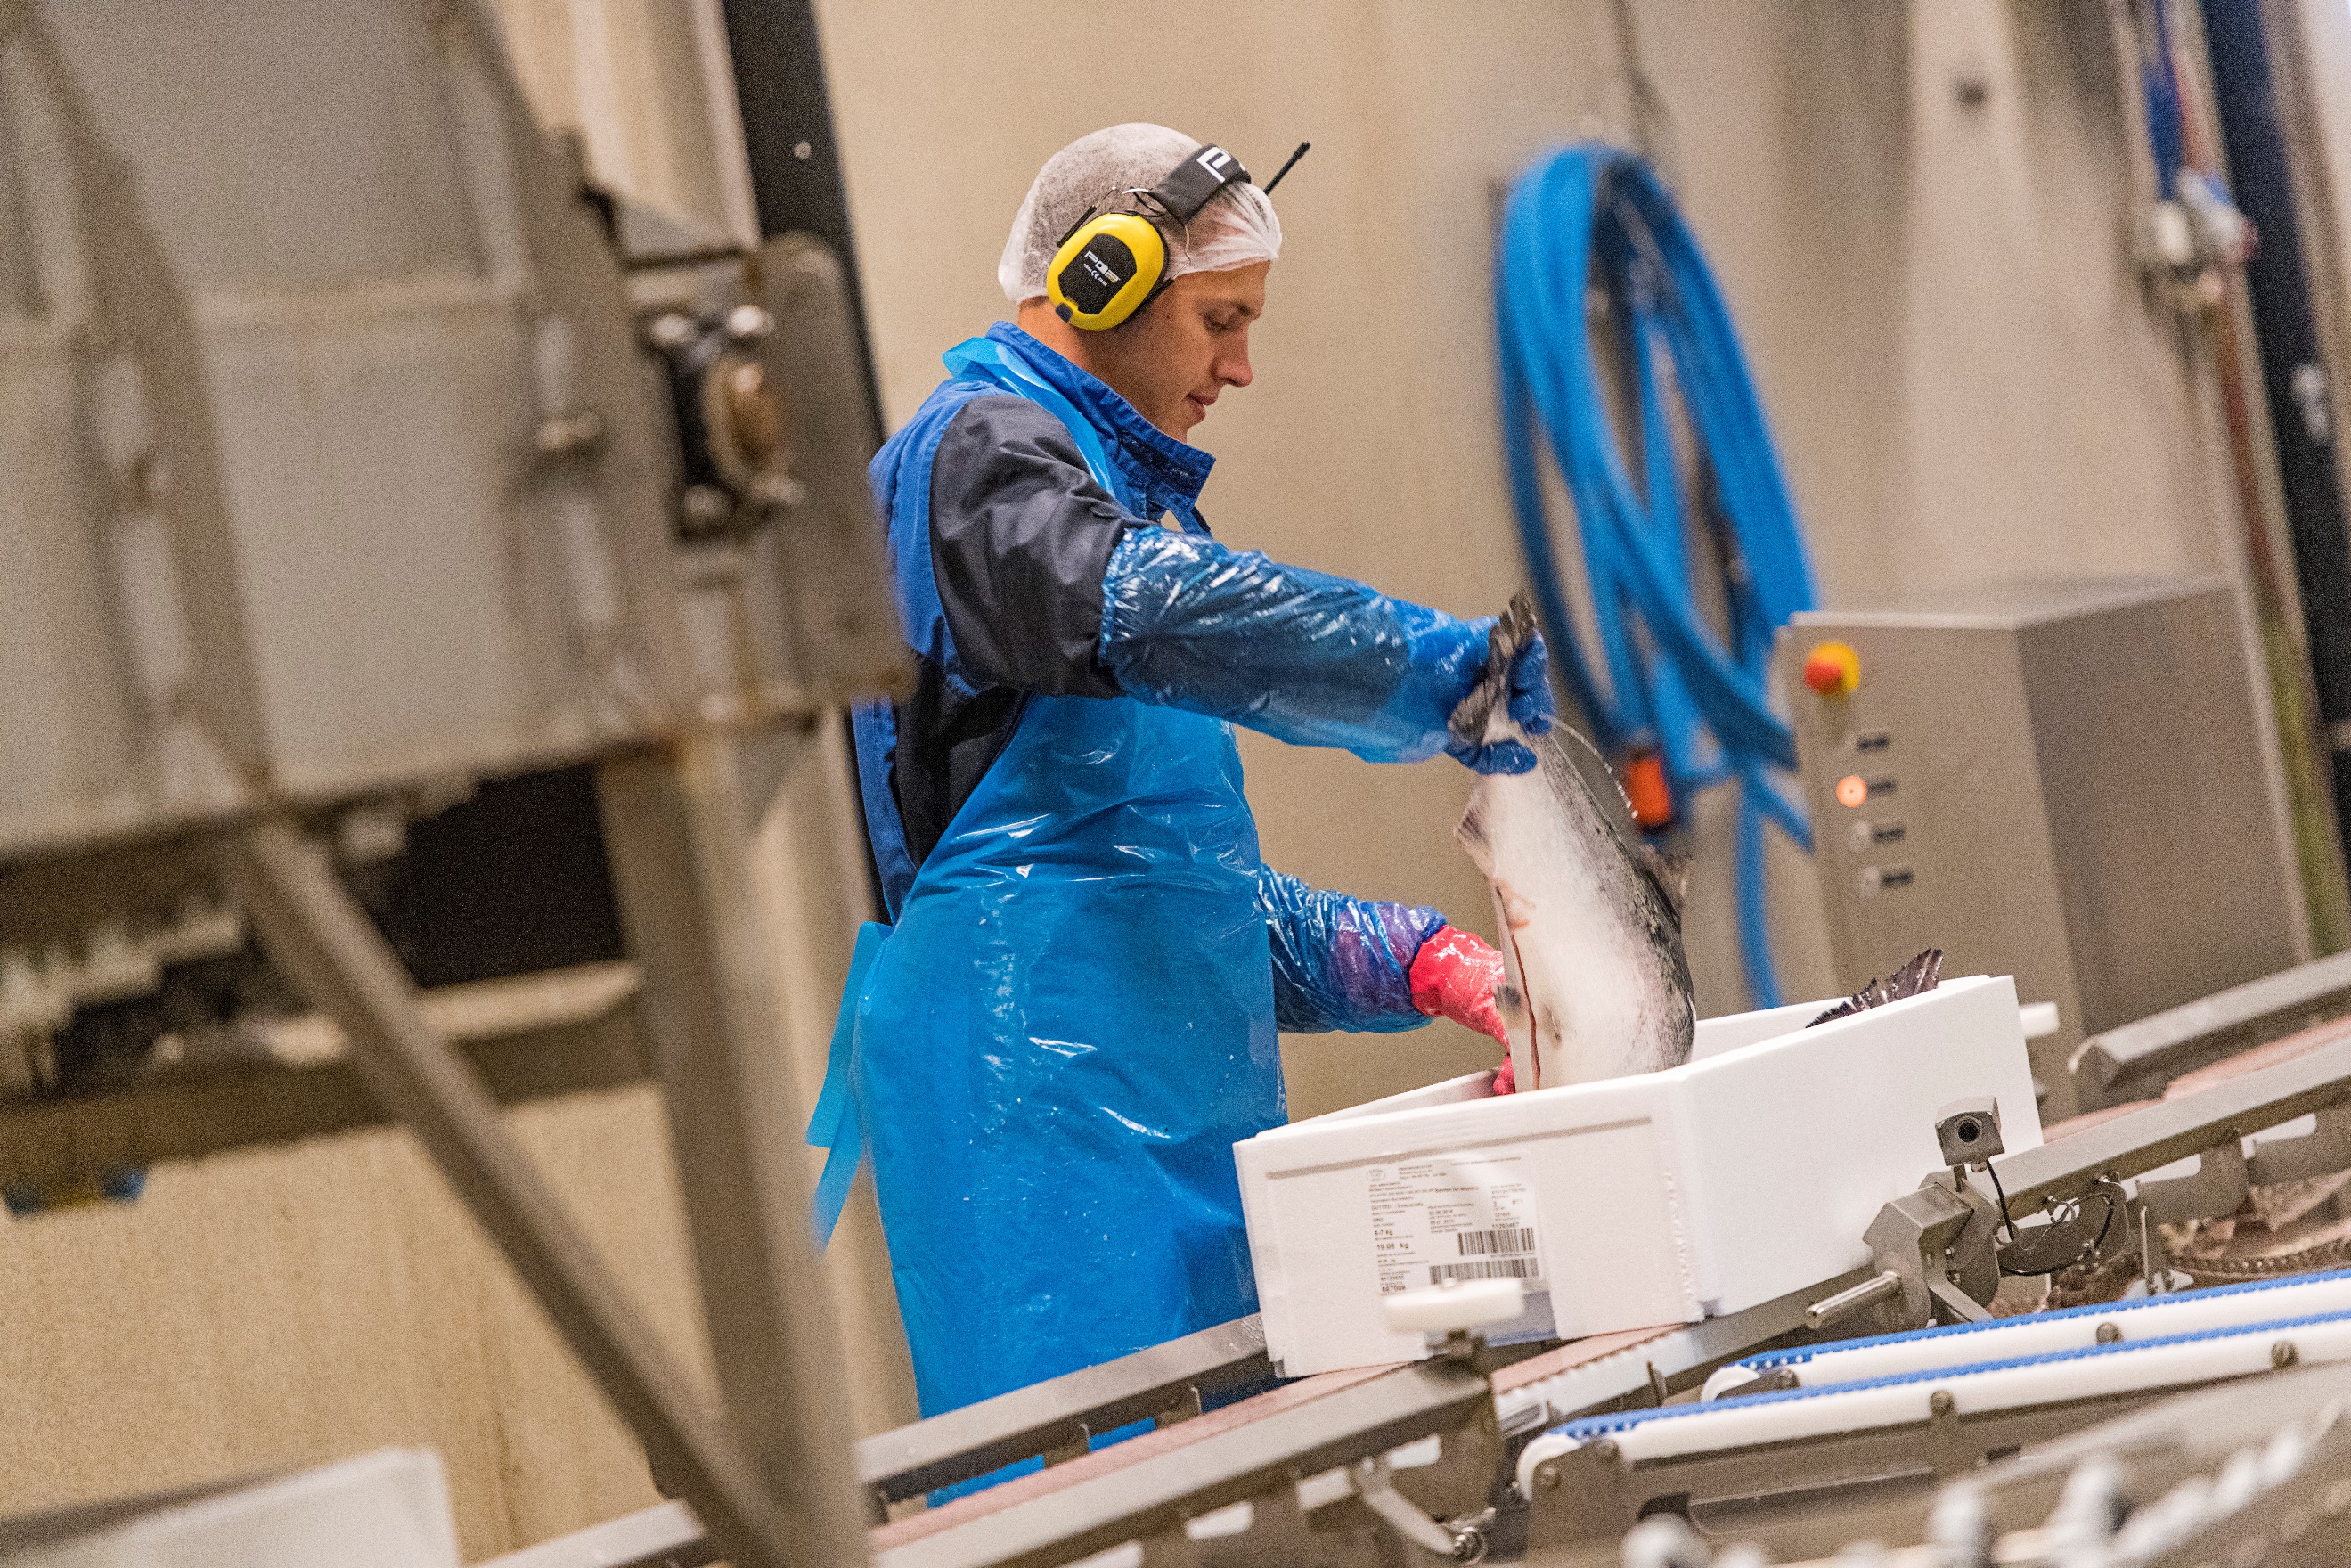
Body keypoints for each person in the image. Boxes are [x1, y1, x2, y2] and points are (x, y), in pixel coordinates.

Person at [818, 124, 1553, 1422]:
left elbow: (1168, 901)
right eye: (1221, 320)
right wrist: (1428, 671)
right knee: (1094, 1496)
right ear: (1100, 280)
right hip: (1035, 1142)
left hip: (1180, 1146)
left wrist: (1426, 963)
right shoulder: (979, 465)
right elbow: (1159, 613)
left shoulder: (1119, 502)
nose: (1241, 367)